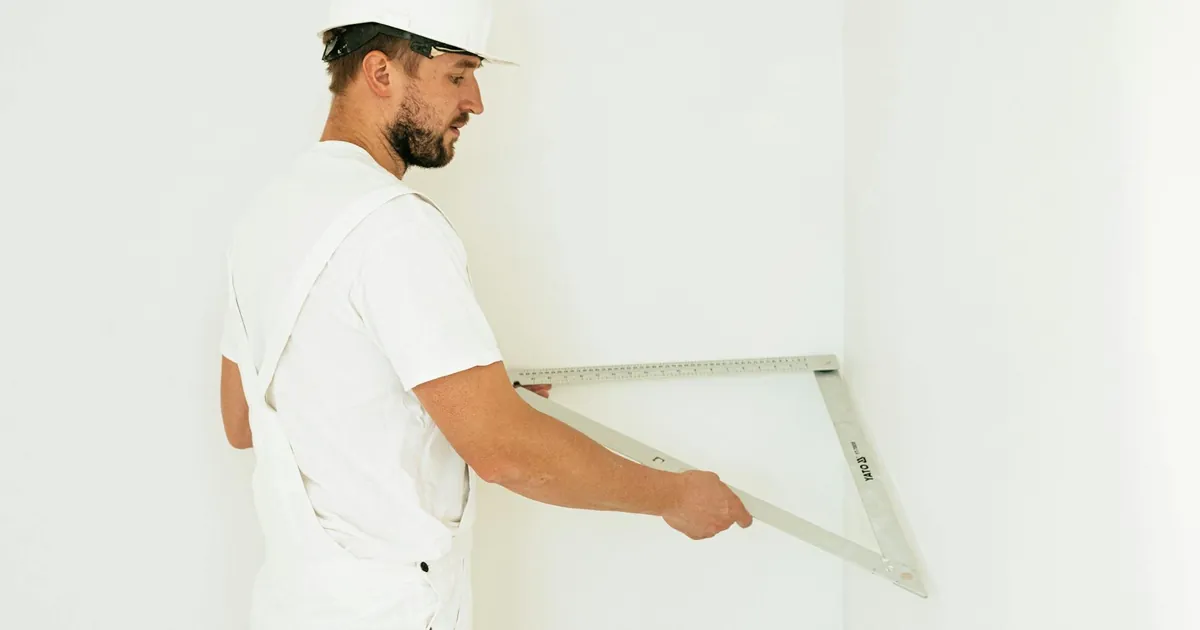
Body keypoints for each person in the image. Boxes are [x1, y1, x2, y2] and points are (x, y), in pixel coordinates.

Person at [218, 1, 752, 628]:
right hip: (391, 611)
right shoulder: (393, 227)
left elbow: (244, 420)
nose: (475, 102)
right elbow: (505, 453)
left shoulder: (271, 215)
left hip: (293, 605)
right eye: (457, 75)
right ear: (381, 72)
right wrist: (674, 495)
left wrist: (454, 393)